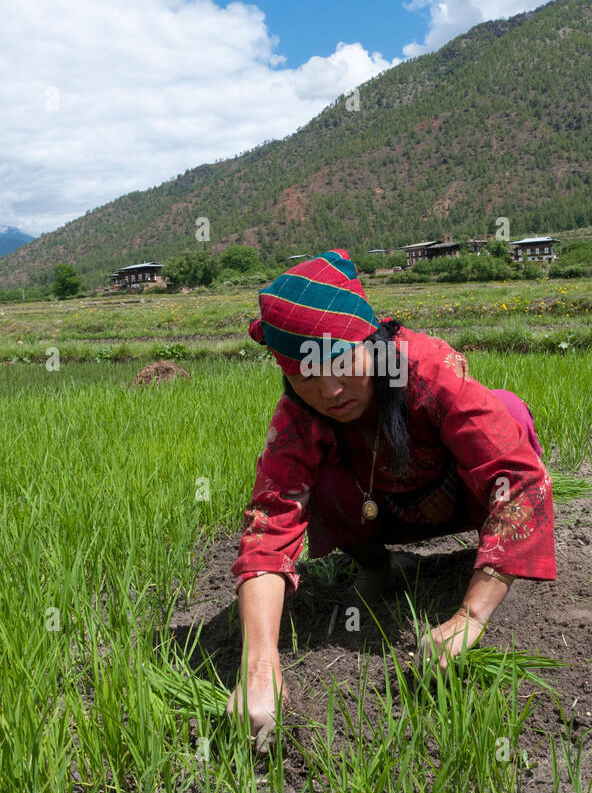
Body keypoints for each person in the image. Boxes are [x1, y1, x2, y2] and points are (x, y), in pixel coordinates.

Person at [226, 248, 555, 744]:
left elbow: (519, 480)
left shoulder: (426, 367)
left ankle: (480, 576)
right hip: (377, 510)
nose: (332, 391)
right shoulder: (300, 416)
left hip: (462, 498)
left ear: (371, 341)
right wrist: (259, 668)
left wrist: (470, 619)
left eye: (341, 362)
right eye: (306, 377)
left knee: (509, 414)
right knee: (320, 485)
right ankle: (376, 567)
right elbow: (269, 525)